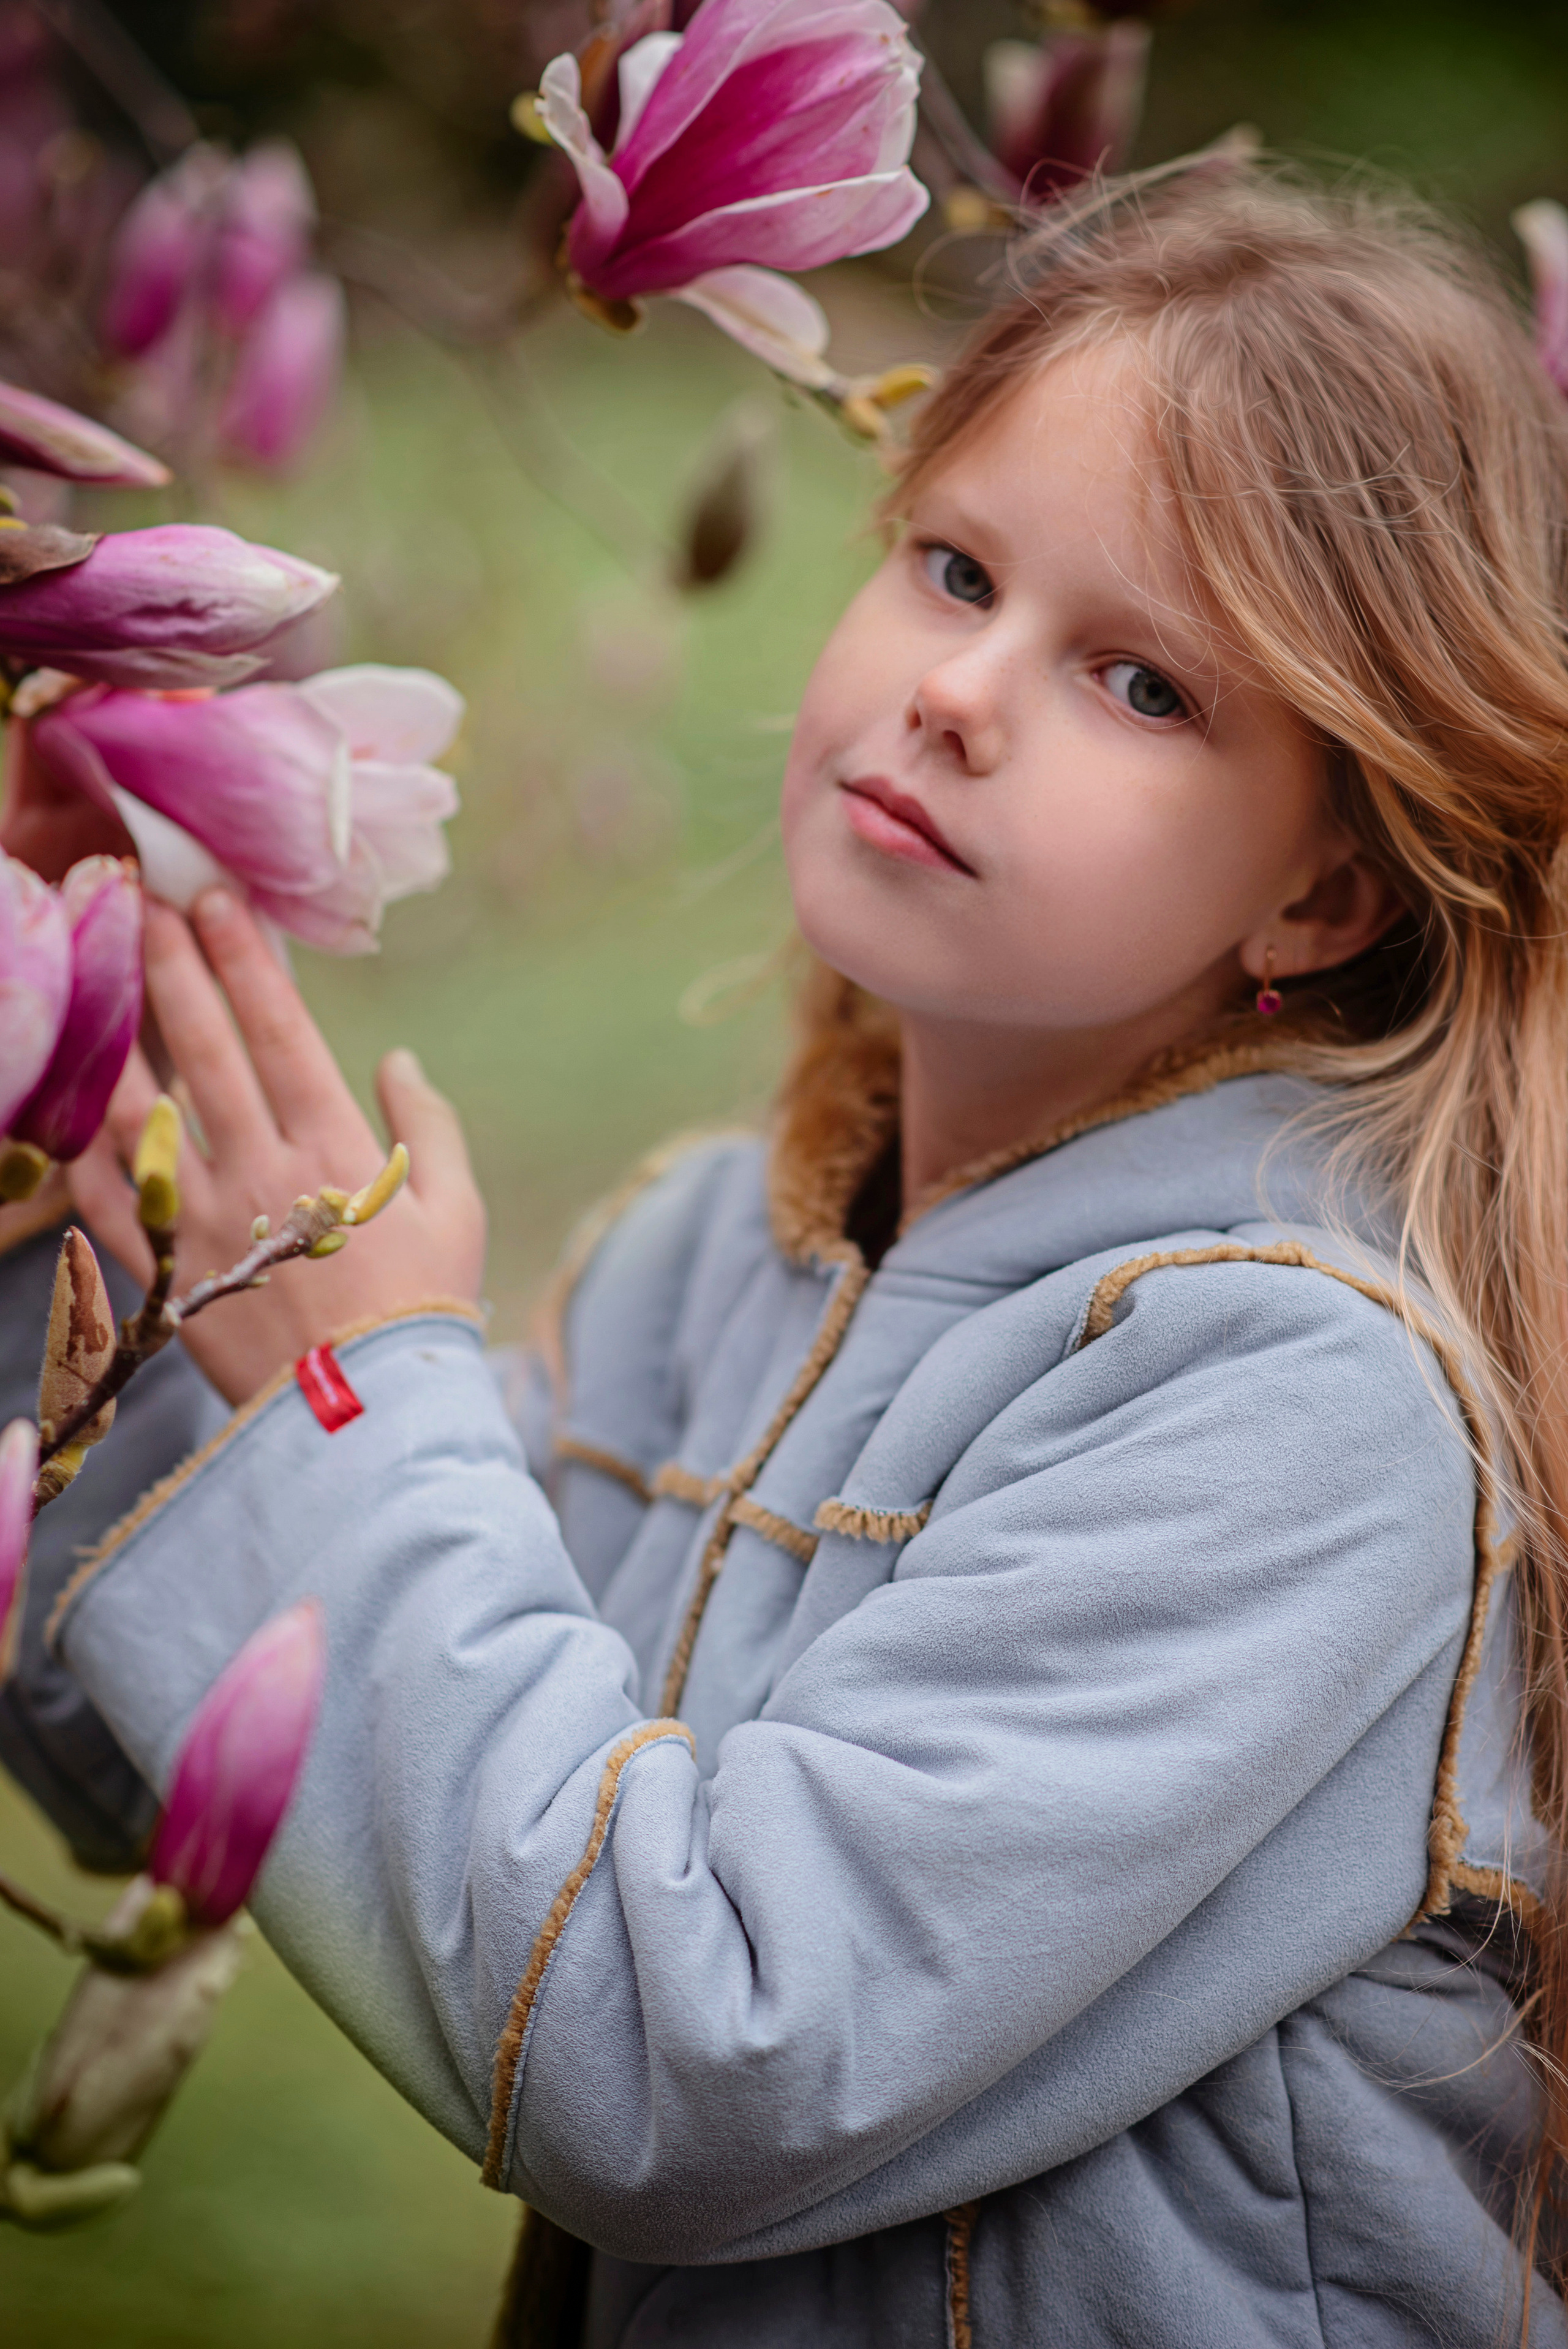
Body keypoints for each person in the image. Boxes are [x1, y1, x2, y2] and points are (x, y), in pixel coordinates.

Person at [5, 159, 1568, 2347]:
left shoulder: (1303, 1403)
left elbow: (689, 2060)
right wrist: (45, 1122)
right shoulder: (708, 1258)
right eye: (957, 569)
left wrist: (358, 1398)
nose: (962, 691)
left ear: (1318, 899)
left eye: (1138, 682)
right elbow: (296, 1775)